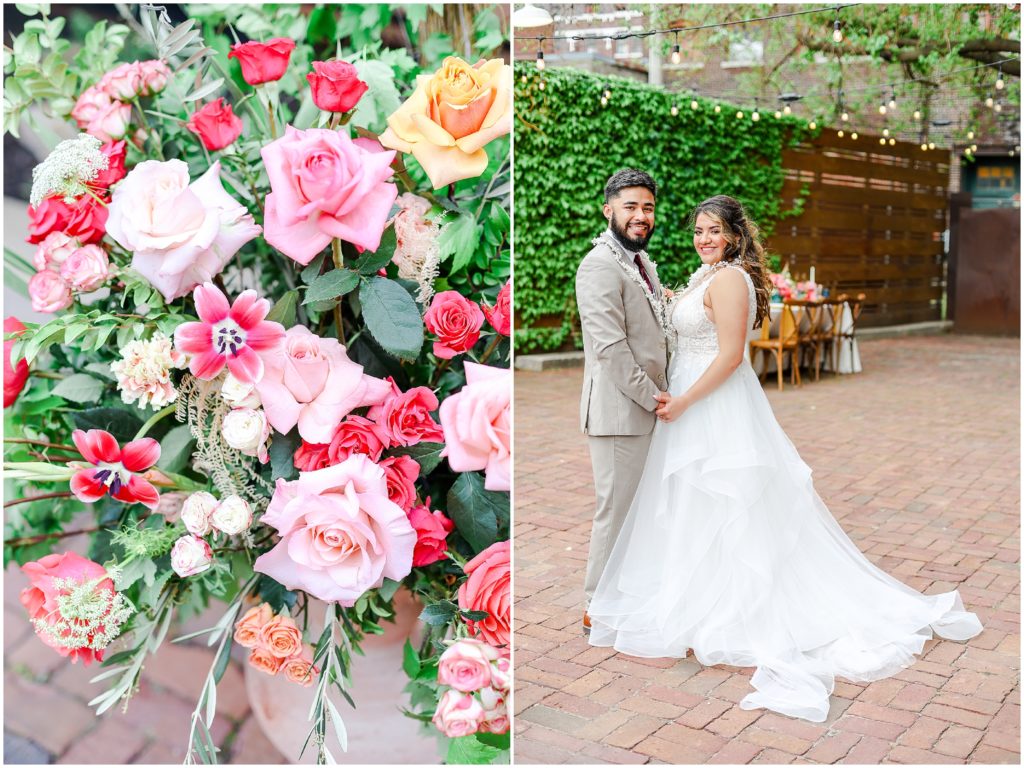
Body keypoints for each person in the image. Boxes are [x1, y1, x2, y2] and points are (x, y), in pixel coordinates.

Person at [586, 195, 982, 722]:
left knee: (729, 504)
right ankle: (703, 600)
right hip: (687, 403)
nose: (703, 238)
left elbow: (730, 357)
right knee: (693, 507)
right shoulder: (709, 275)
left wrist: (681, 400)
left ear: (733, 235)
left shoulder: (728, 280)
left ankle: (733, 609)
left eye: (713, 231)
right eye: (698, 230)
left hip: (711, 405)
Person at [575, 169, 670, 633]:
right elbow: (610, 349)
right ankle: (597, 605)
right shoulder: (599, 265)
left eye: (647, 207)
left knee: (637, 511)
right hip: (620, 413)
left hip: (646, 410)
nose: (640, 215)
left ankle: (627, 596)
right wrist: (656, 399)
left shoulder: (639, 262)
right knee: (614, 512)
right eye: (630, 206)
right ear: (608, 208)